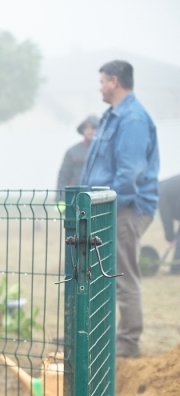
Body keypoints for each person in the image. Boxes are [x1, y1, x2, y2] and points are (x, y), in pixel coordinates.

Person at [80, 60, 159, 358]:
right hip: (107, 206)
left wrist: (106, 205)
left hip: (124, 208)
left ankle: (127, 343)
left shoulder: (133, 119)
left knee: (123, 274)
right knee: (104, 274)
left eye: (102, 81)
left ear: (114, 82)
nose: (99, 87)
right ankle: (106, 337)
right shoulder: (111, 117)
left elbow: (129, 173)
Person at [56, 115, 99, 200]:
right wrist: (61, 199)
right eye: (86, 128)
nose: (89, 131)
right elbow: (63, 176)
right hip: (75, 198)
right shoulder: (72, 151)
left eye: (93, 127)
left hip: (99, 197)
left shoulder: (106, 151)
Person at [158, 174, 180, 274]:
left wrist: (170, 238)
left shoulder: (161, 191)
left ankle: (176, 268)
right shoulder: (166, 186)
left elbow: (166, 217)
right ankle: (176, 267)